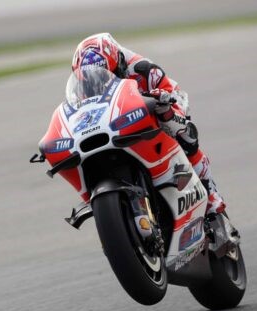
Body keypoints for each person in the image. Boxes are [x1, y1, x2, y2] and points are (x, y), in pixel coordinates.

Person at [71, 32, 225, 217]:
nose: (97, 83)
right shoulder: (85, 82)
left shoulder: (145, 70)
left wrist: (164, 103)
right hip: (116, 122)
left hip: (161, 105)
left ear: (118, 63)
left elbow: (175, 99)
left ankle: (211, 193)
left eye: (105, 75)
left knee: (184, 133)